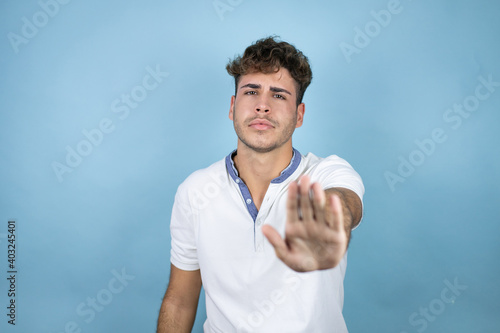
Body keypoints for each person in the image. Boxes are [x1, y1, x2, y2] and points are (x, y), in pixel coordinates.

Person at [157, 36, 364, 333]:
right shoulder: (195, 190)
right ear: (232, 107)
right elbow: (179, 300)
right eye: (251, 92)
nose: (262, 106)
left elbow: (344, 202)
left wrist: (330, 221)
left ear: (299, 115)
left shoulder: (327, 172)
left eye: (279, 95)